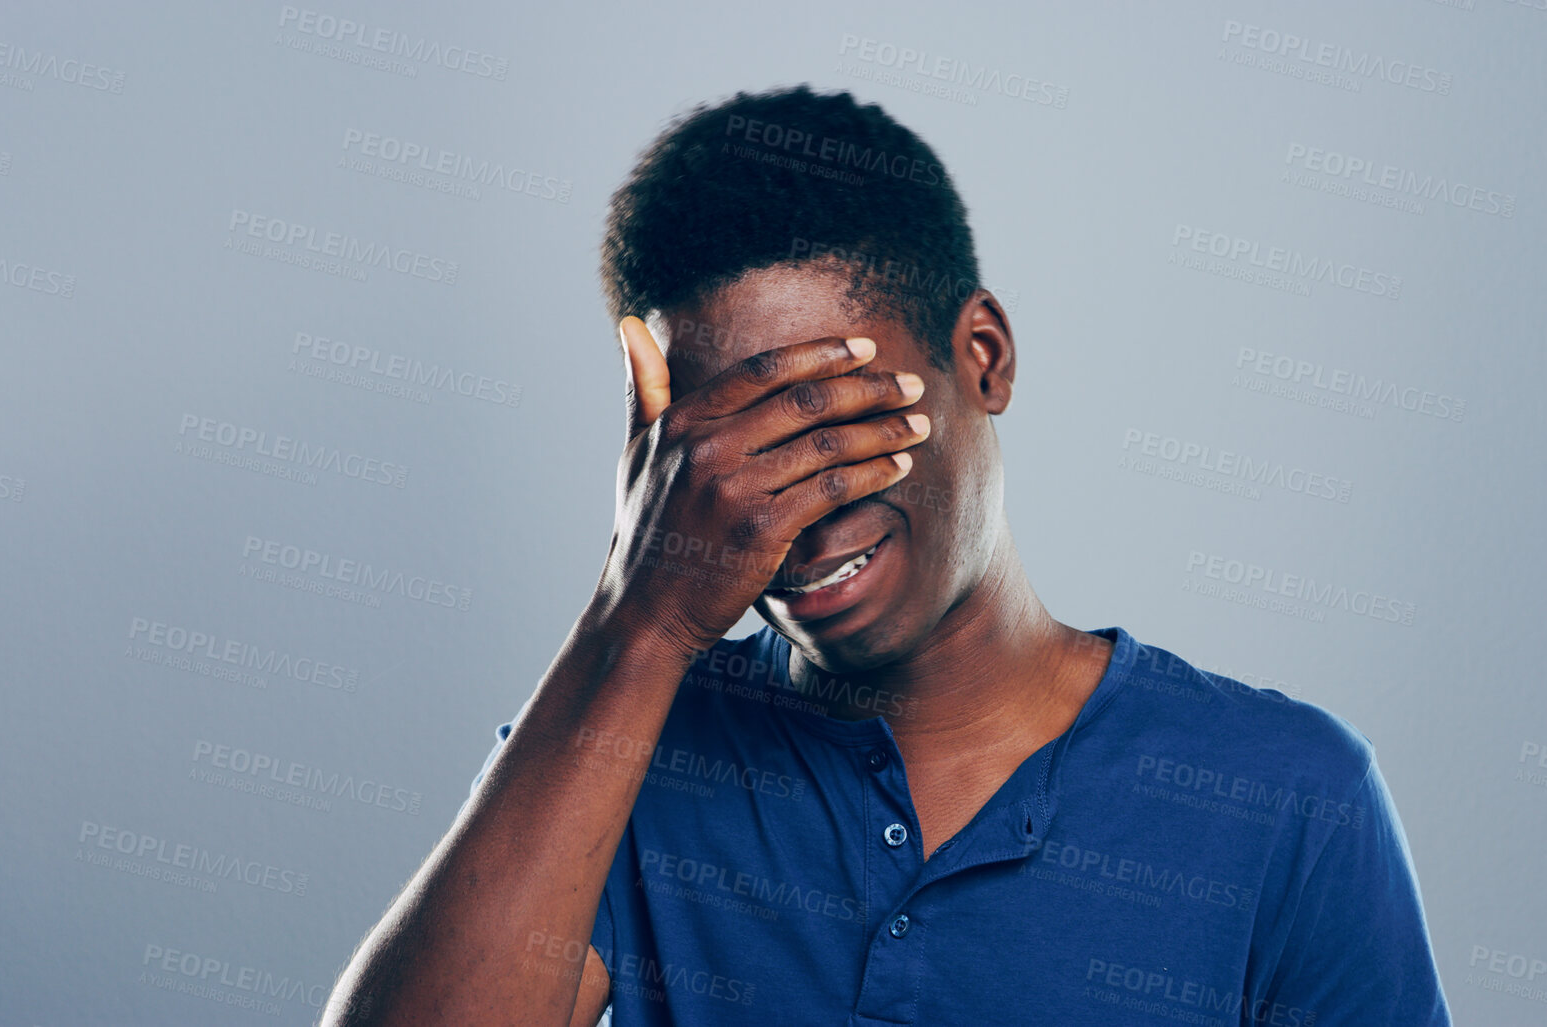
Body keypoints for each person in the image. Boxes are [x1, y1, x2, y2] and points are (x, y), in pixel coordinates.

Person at [324, 84, 1453, 1027]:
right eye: (734, 460)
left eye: (833, 425)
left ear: (984, 357)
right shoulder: (615, 745)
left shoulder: (1287, 797)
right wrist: (640, 614)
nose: (796, 515)